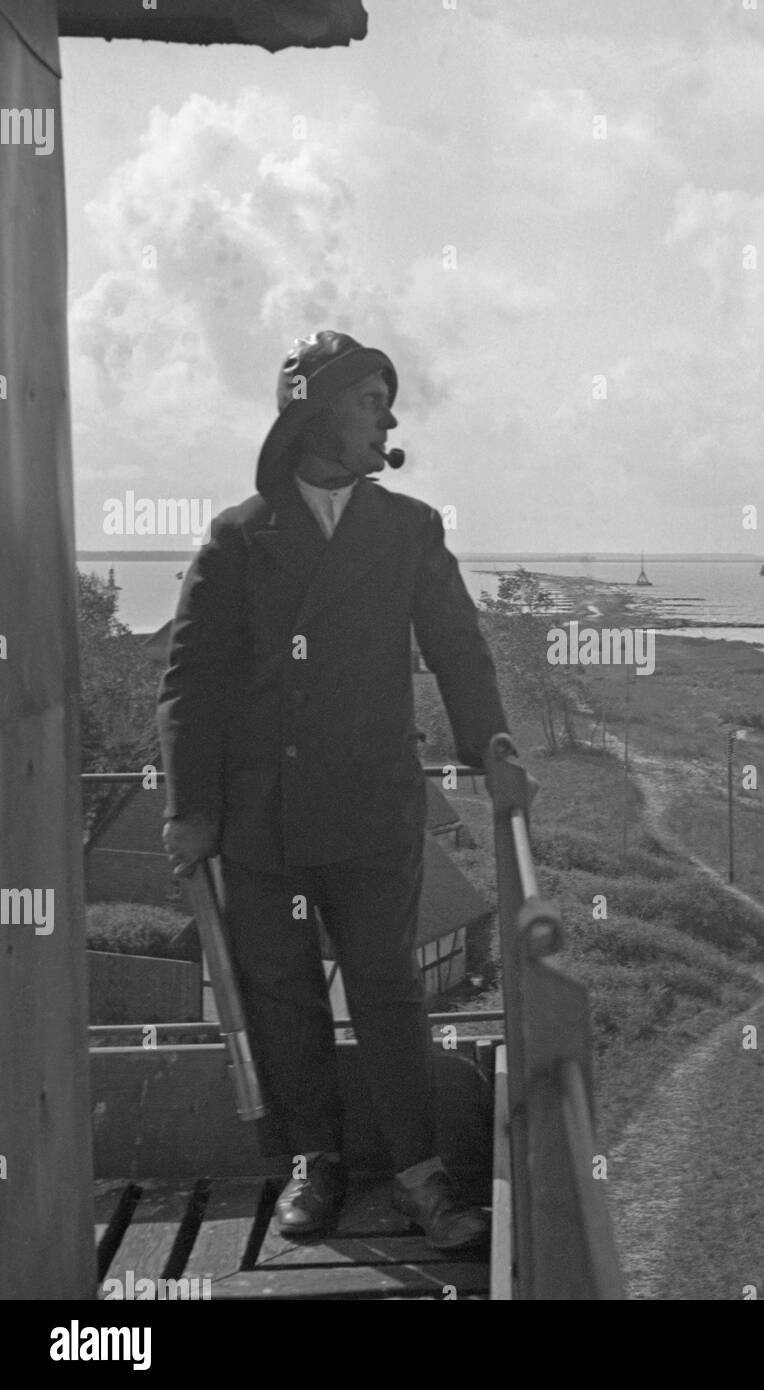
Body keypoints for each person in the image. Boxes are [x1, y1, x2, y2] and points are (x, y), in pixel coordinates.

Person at [157, 329, 509, 1247]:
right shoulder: (239, 536)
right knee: (282, 996)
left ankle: (422, 1174)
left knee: (389, 990)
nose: (388, 421)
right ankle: (313, 1161)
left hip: (372, 810)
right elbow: (192, 682)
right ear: (313, 413)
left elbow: (457, 646)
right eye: (370, 402)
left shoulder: (408, 527)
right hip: (259, 817)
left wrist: (493, 745)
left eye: (388, 404)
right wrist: (190, 810)